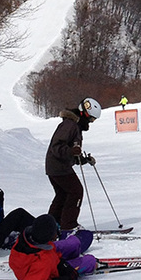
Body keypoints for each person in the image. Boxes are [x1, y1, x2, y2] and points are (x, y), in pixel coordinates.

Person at [45, 98, 101, 232]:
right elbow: (56, 147)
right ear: (85, 114)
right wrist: (71, 151)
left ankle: (51, 226)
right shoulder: (69, 125)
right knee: (76, 191)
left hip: (55, 166)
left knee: (63, 195)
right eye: (91, 119)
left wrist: (83, 159)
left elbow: (72, 151)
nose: (91, 122)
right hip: (59, 166)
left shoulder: (74, 125)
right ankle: (68, 225)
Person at [9, 213, 98, 280]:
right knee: (90, 261)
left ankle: (72, 255)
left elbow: (45, 251)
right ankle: (87, 263)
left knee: (74, 243)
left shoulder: (27, 238)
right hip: (46, 268)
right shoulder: (43, 262)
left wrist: (60, 261)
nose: (56, 234)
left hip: (43, 253)